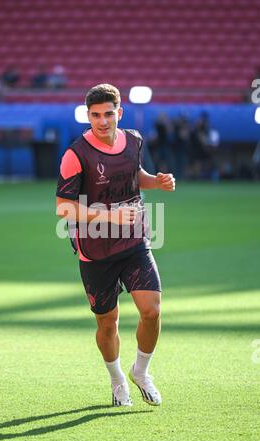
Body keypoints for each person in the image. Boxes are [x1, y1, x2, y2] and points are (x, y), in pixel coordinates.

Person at [56, 84, 175, 407]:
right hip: (95, 252)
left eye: (108, 114)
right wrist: (110, 216)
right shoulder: (75, 154)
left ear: (119, 113)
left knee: (151, 311)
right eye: (95, 115)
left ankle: (141, 371)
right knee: (108, 323)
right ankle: (117, 379)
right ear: (88, 116)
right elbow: (63, 208)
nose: (102, 121)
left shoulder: (134, 140)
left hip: (135, 241)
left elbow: (134, 176)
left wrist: (156, 181)